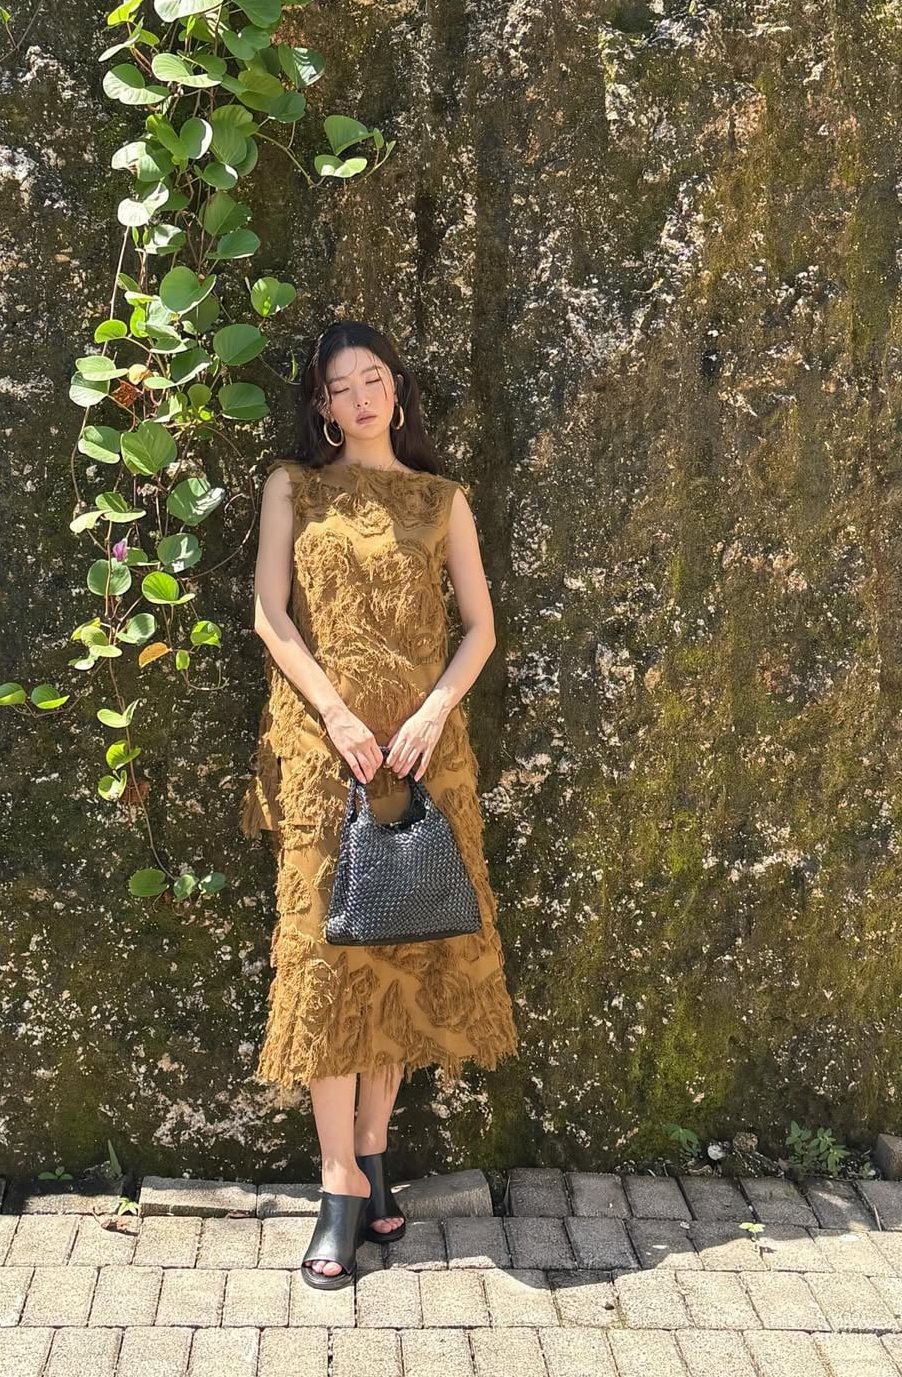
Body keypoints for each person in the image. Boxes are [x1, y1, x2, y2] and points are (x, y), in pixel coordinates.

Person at [240, 320, 519, 1289]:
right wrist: (335, 715)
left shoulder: (442, 499)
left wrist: (434, 712)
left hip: (420, 755)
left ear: (396, 389)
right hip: (326, 754)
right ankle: (337, 1183)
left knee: (399, 953)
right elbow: (271, 614)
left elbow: (480, 628)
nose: (361, 398)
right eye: (341, 386)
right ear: (320, 404)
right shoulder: (292, 486)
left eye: (374, 379)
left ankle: (371, 1153)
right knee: (327, 962)